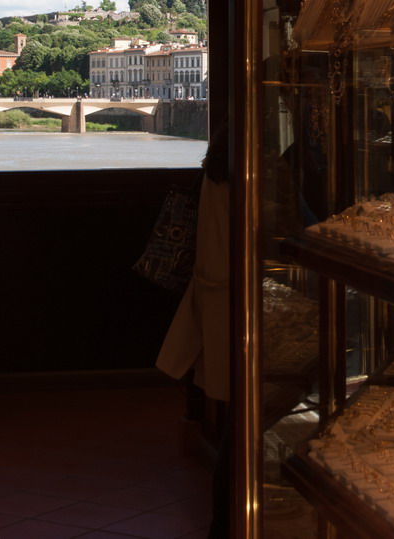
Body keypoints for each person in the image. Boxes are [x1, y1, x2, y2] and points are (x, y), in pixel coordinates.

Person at [156, 121, 230, 538]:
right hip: (238, 303)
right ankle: (233, 518)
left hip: (213, 299)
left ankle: (224, 519)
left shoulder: (213, 172)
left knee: (232, 417)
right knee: (248, 423)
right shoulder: (253, 176)